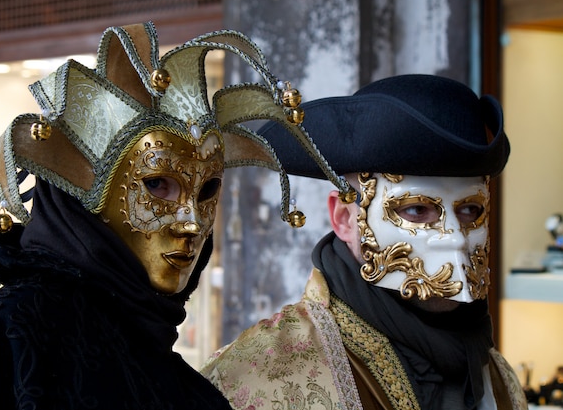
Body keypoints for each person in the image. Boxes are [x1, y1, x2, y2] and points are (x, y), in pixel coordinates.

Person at [0, 21, 349, 409]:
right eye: (157, 185)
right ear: (87, 201)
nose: (191, 223)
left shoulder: (169, 370)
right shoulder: (12, 328)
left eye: (206, 190)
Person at [201, 74, 528, 410]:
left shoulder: (498, 379)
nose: (455, 238)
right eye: (417, 209)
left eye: (470, 210)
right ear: (344, 219)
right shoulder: (257, 380)